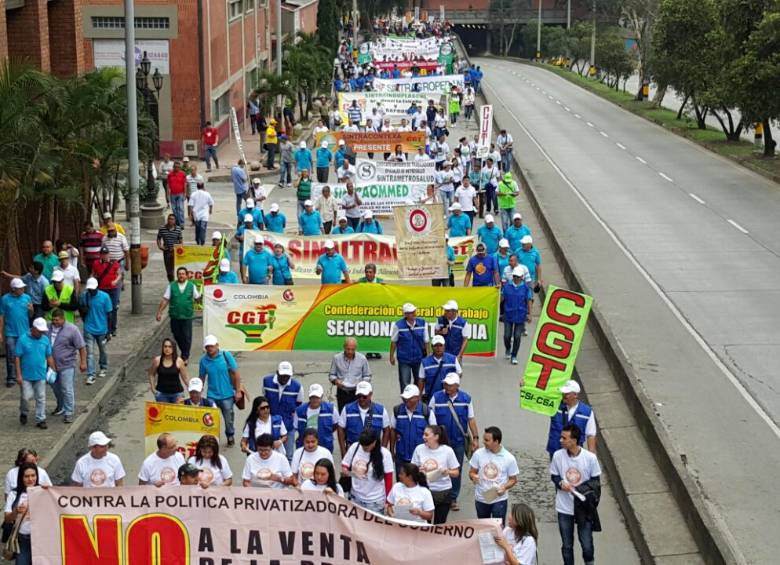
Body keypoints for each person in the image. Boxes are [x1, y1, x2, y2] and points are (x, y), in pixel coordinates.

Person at [550, 424, 602, 565]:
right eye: (561, 437)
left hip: (583, 507)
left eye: (564, 438)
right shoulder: (557, 456)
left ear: (574, 440)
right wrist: (560, 483)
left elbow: (596, 483)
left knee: (586, 544)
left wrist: (588, 500)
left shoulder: (590, 458)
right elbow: (554, 476)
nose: (560, 440)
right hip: (564, 508)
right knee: (567, 545)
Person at [429, 373, 479, 511]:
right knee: (437, 467)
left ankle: (452, 498)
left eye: (450, 385)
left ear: (457, 386)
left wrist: (475, 438)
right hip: (440, 442)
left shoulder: (466, 399)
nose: (447, 387)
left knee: (455, 469)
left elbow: (471, 419)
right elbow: (429, 416)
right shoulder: (436, 397)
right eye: (445, 384)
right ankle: (435, 495)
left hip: (458, 441)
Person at [469, 426, 519, 525]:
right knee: (483, 528)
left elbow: (513, 479)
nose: (483, 442)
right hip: (481, 498)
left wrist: (504, 487)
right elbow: (471, 472)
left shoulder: (509, 458)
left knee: (498, 529)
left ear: (496, 441)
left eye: (487, 440)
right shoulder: (478, 454)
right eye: (484, 439)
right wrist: (473, 476)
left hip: (499, 499)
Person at [198, 335, 241, 446]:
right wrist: (198, 392)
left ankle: (230, 435)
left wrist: (238, 391)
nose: (210, 348)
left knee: (229, 419)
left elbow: (236, 373)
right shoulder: (203, 361)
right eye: (207, 347)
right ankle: (212, 439)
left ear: (217, 345)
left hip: (227, 395)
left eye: (212, 346)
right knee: (210, 419)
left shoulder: (226, 356)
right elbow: (201, 377)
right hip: (212, 395)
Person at [411, 425, 459, 524]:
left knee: (439, 525)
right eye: (423, 434)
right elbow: (412, 470)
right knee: (424, 524)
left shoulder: (447, 451)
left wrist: (448, 472)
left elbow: (456, 472)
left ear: (436, 437)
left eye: (426, 435)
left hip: (443, 492)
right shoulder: (419, 449)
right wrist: (419, 471)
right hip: (424, 491)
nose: (423, 437)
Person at [341, 430, 393, 513]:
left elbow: (388, 479)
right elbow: (345, 464)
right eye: (362, 446)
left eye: (367, 447)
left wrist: (388, 501)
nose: (364, 448)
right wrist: (346, 471)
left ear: (374, 442)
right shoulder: (355, 447)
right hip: (355, 498)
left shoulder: (385, 454)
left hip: (375, 502)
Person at [15, 317, 54, 429]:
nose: (42, 333)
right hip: (26, 375)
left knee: (41, 397)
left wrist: (53, 369)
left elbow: (49, 355)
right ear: (33, 328)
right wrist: (18, 375)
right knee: (26, 397)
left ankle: (41, 419)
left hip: (40, 374)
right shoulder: (22, 339)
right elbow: (17, 357)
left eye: (43, 331)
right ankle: (24, 411)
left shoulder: (45, 340)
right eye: (40, 331)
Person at [48, 309, 86, 424]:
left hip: (67, 364)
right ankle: (60, 406)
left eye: (57, 320)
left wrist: (83, 362)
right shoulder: (47, 328)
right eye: (53, 320)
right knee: (55, 387)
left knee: (67, 388)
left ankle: (69, 412)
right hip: (51, 365)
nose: (55, 322)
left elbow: (81, 347)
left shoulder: (72, 329)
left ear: (63, 319)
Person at [156, 266, 200, 362]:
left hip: (187, 316)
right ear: (177, 275)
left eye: (183, 274)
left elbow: (197, 298)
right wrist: (159, 312)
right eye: (179, 274)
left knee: (187, 337)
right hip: (175, 316)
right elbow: (165, 299)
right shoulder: (171, 286)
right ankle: (183, 351)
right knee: (177, 335)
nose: (181, 276)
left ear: (187, 275)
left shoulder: (191, 286)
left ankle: (185, 356)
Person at [337, 382, 391, 457]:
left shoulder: (381, 410)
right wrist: (343, 452)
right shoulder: (347, 409)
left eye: (364, 396)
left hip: (373, 452)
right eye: (359, 396)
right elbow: (340, 428)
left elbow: (387, 430)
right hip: (353, 452)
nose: (361, 399)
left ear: (370, 394)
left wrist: (382, 449)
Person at [263, 361, 303, 461]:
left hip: (288, 425)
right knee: (268, 454)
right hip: (270, 425)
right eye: (282, 375)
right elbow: (264, 399)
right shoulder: (267, 382)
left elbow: (298, 404)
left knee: (288, 456)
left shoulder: (297, 386)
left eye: (287, 375)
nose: (285, 378)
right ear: (277, 372)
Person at [546, 380, 597, 457]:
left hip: (575, 454)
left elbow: (591, 435)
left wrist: (591, 457)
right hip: (555, 453)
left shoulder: (587, 412)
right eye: (563, 393)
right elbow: (537, 401)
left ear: (575, 395)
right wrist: (526, 386)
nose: (564, 395)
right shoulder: (554, 405)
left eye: (567, 393)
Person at [391, 384, 429, 477]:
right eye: (404, 398)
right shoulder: (397, 411)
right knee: (402, 482)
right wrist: (392, 450)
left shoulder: (426, 411)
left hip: (420, 457)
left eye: (409, 398)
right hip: (401, 456)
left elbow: (434, 432)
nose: (406, 400)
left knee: (419, 483)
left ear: (417, 398)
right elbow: (392, 430)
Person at [79, 278, 112, 385]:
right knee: (90, 353)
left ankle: (103, 366)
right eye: (89, 289)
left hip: (102, 329)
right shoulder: (84, 296)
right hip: (89, 328)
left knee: (103, 350)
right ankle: (91, 374)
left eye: (93, 289)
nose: (91, 291)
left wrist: (109, 331)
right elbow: (81, 310)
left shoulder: (105, 297)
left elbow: (109, 314)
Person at [1, 278, 33, 388]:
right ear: (13, 289)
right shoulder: (5, 299)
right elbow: (1, 316)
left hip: (24, 332)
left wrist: (31, 310)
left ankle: (24, 375)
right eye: (20, 288)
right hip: (10, 332)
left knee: (25, 354)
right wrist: (1, 333)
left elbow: (30, 315)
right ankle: (11, 377)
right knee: (11, 355)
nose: (23, 289)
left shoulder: (27, 298)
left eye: (23, 287)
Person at [4, 462, 38, 564]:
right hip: (23, 540)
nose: (30, 479)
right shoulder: (14, 494)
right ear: (21, 478)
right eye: (26, 476)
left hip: (41, 540)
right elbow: (7, 519)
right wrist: (16, 511)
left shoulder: (43, 491)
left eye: (33, 475)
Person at [389, 303, 429, 392]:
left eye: (414, 311)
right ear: (405, 314)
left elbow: (426, 341)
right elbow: (394, 342)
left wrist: (428, 356)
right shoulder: (398, 325)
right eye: (411, 312)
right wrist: (391, 356)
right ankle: (406, 402)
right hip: (404, 359)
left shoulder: (422, 323)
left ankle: (417, 401)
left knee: (419, 381)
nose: (414, 313)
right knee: (404, 382)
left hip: (419, 358)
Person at [329, 337, 371, 411]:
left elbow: (367, 375)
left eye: (352, 349)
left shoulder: (362, 359)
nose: (350, 352)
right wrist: (336, 381)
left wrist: (362, 383)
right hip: (342, 391)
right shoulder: (336, 358)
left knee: (356, 413)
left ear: (356, 348)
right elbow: (332, 375)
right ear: (344, 347)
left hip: (357, 392)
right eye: (348, 349)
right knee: (342, 413)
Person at [294, 383, 338, 453]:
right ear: (309, 397)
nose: (315, 400)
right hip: (305, 447)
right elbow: (296, 427)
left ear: (322, 396)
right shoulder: (299, 410)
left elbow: (335, 425)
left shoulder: (331, 409)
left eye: (317, 397)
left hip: (325, 446)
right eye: (312, 397)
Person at [502, 266, 533, 365]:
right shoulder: (507, 287)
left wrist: (529, 314)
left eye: (518, 276)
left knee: (517, 336)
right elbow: (501, 298)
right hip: (508, 314)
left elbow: (528, 301)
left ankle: (514, 355)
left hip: (520, 315)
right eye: (514, 276)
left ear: (522, 277)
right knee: (507, 335)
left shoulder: (525, 288)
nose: (516, 278)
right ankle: (508, 348)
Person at [90, 246, 121, 339]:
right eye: (103, 254)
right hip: (101, 289)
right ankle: (105, 328)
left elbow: (119, 274)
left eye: (106, 254)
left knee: (113, 308)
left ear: (109, 254)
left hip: (112, 289)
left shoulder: (114, 263)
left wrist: (116, 281)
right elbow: (93, 274)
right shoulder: (96, 263)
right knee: (103, 309)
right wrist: (92, 281)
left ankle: (113, 328)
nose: (105, 256)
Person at [420, 335, 461, 403]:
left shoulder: (453, 359)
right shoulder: (425, 362)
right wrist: (419, 396)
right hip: (432, 398)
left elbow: (459, 373)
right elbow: (421, 380)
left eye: (440, 345)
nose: (438, 348)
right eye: (436, 346)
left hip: (449, 398)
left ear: (444, 346)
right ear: (432, 347)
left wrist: (452, 382)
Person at [147, 338, 188, 403]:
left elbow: (185, 378)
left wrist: (192, 390)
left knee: (176, 413)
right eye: (165, 346)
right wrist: (153, 388)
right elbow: (151, 374)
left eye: (170, 347)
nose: (167, 349)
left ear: (173, 348)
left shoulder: (179, 361)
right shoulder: (157, 360)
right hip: (161, 394)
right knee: (164, 413)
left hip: (177, 394)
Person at [156, 214, 183, 282]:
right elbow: (159, 238)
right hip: (167, 251)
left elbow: (181, 240)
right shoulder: (162, 228)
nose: (170, 220)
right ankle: (171, 283)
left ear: (175, 221)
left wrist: (180, 247)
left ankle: (176, 283)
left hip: (175, 252)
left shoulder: (178, 229)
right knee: (169, 270)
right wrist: (160, 246)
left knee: (175, 269)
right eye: (169, 219)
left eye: (172, 219)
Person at [188, 181, 214, 246]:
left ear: (197, 186)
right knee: (203, 228)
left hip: (196, 215)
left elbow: (190, 205)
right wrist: (210, 210)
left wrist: (190, 214)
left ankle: (198, 240)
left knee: (198, 228)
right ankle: (202, 241)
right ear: (203, 186)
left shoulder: (193, 194)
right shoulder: (207, 194)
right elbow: (211, 203)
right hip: (204, 215)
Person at [166, 162, 187, 227]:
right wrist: (167, 194)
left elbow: (185, 184)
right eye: (175, 167)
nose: (177, 168)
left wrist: (185, 193)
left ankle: (181, 223)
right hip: (172, 194)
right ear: (173, 167)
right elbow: (168, 185)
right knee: (174, 209)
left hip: (180, 193)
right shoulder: (170, 174)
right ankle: (177, 222)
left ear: (180, 168)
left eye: (178, 167)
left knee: (180, 208)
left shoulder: (182, 174)